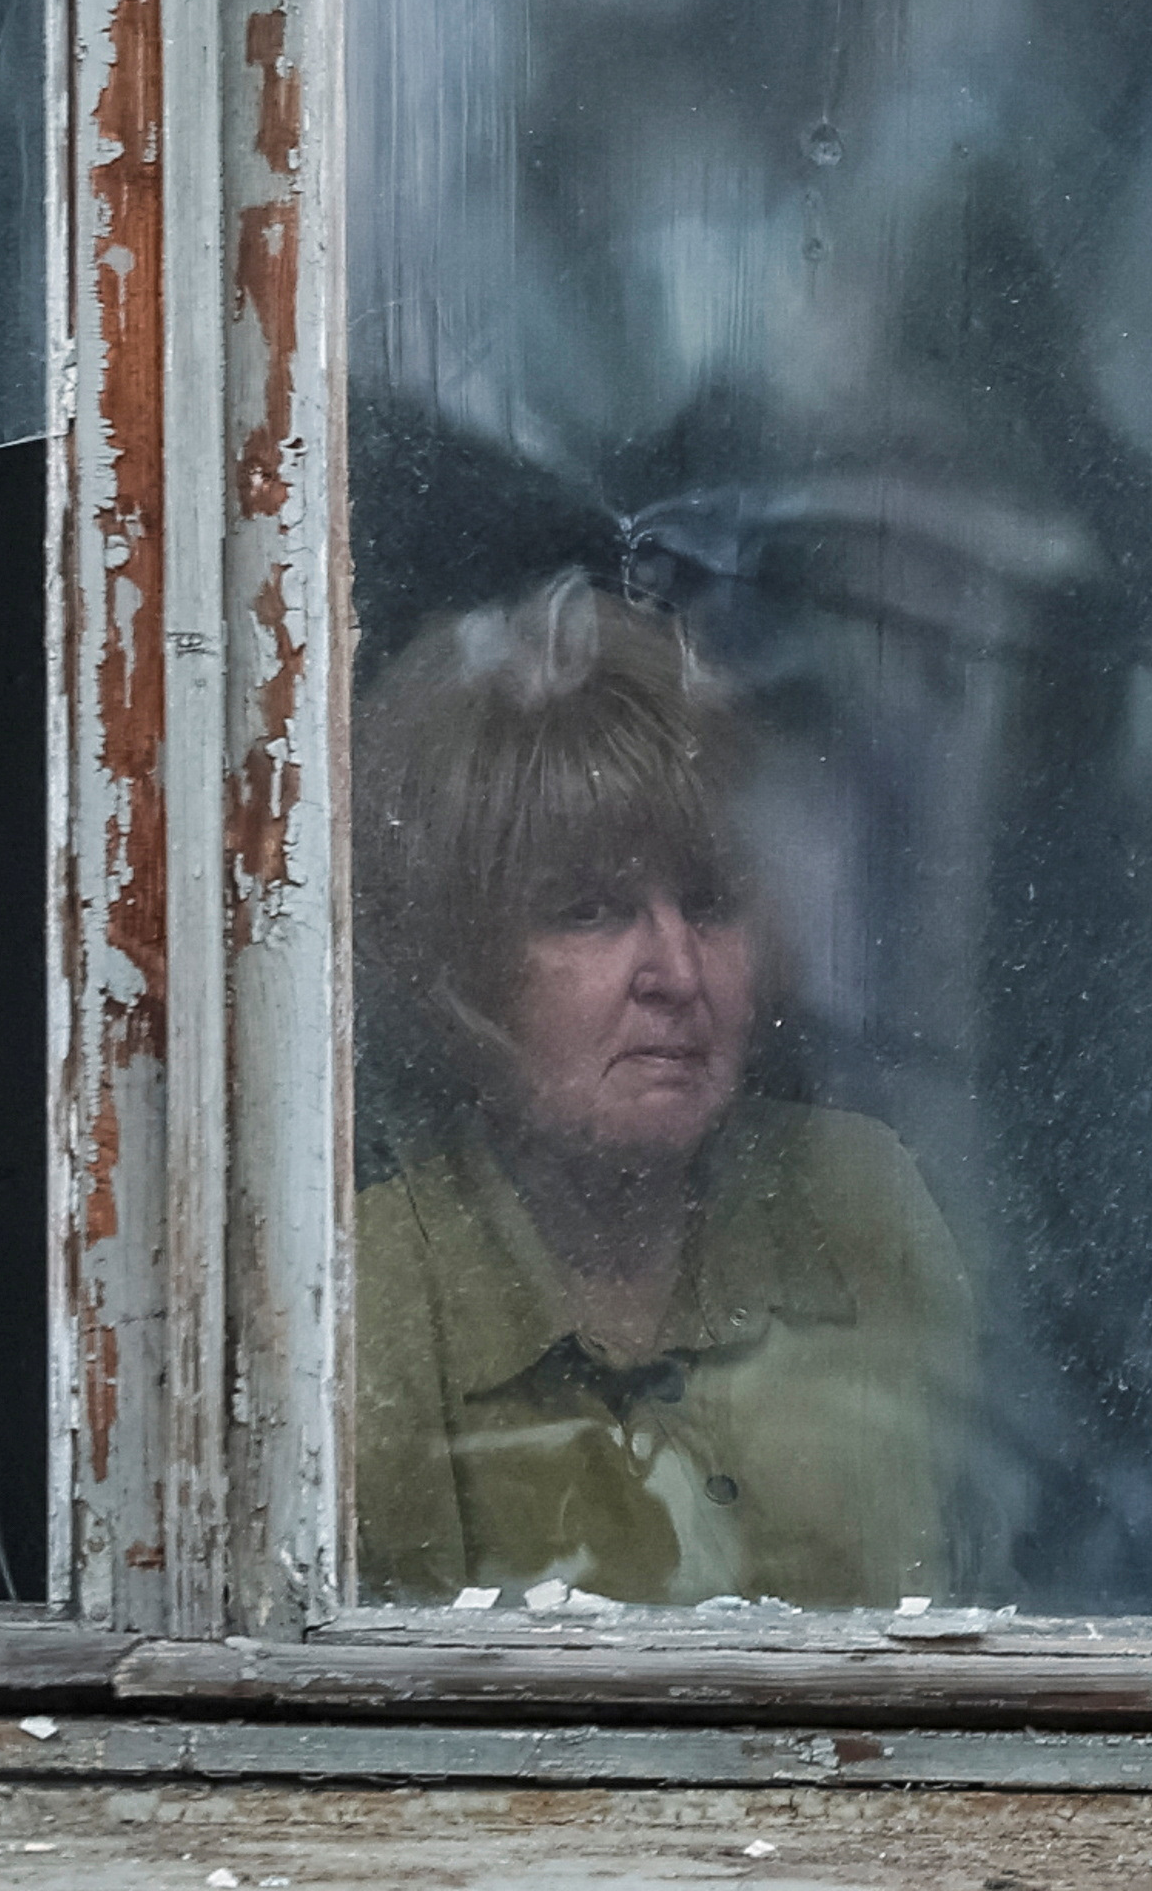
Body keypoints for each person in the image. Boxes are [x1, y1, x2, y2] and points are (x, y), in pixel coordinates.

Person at [351, 580, 975, 1607]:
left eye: (709, 900)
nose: (676, 970)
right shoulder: (373, 1296)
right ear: (458, 969)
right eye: (587, 910)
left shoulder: (861, 1203)